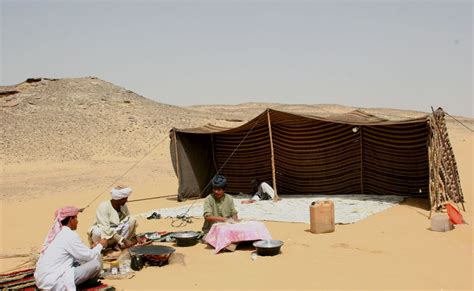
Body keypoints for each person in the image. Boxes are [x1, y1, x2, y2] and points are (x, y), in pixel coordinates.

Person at [34, 206, 107, 290]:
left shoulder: (60, 234)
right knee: (95, 264)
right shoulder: (69, 235)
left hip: (42, 280)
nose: (77, 221)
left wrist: (92, 249)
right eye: (76, 218)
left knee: (80, 262)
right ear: (71, 219)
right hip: (54, 282)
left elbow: (78, 254)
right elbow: (89, 256)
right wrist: (100, 245)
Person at [88, 185, 138, 250]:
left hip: (117, 231)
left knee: (132, 220)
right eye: (125, 198)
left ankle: (118, 245)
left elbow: (127, 221)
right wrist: (123, 240)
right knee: (97, 231)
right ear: (119, 199)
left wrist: (135, 236)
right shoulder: (103, 206)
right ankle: (100, 248)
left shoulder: (123, 206)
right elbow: (105, 229)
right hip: (105, 232)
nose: (126, 200)